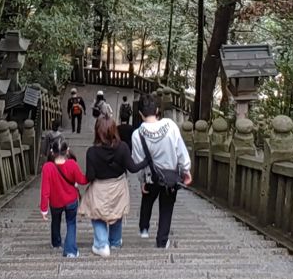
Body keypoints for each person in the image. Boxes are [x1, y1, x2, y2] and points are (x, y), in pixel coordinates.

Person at [130, 95, 192, 249]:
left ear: (140, 114)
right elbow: (180, 150)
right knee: (166, 207)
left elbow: (138, 161)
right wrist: (186, 169)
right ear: (157, 110)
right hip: (170, 176)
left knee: (147, 200)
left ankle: (144, 227)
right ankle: (162, 241)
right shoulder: (170, 125)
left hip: (151, 177)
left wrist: (142, 180)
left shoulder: (137, 135)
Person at [81, 114, 145, 257]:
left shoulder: (92, 152)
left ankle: (102, 244)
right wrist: (147, 161)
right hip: (118, 186)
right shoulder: (122, 147)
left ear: (97, 131)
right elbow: (133, 168)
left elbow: (90, 176)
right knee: (117, 212)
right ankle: (115, 242)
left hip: (99, 186)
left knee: (97, 214)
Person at [39, 135, 87, 259]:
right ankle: (70, 250)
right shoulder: (72, 164)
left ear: (52, 152)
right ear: (67, 151)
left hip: (55, 202)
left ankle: (56, 243)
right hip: (71, 200)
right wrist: (92, 175)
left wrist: (44, 209)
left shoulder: (47, 167)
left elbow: (45, 190)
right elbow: (82, 180)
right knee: (71, 223)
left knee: (56, 221)